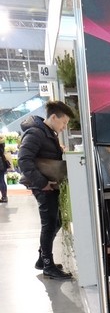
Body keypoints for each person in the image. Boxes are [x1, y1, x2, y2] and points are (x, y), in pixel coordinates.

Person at [18, 100, 74, 279]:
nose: (64, 127)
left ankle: (43, 259)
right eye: (64, 122)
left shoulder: (47, 133)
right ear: (53, 117)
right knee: (49, 224)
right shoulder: (36, 133)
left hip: (48, 185)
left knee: (56, 221)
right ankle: (48, 265)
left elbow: (42, 155)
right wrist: (42, 183)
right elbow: (23, 160)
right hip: (43, 187)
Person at [0, 138, 12, 203]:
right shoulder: (2, 142)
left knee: (1, 180)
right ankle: (4, 196)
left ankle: (4, 197)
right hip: (2, 162)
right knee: (1, 180)